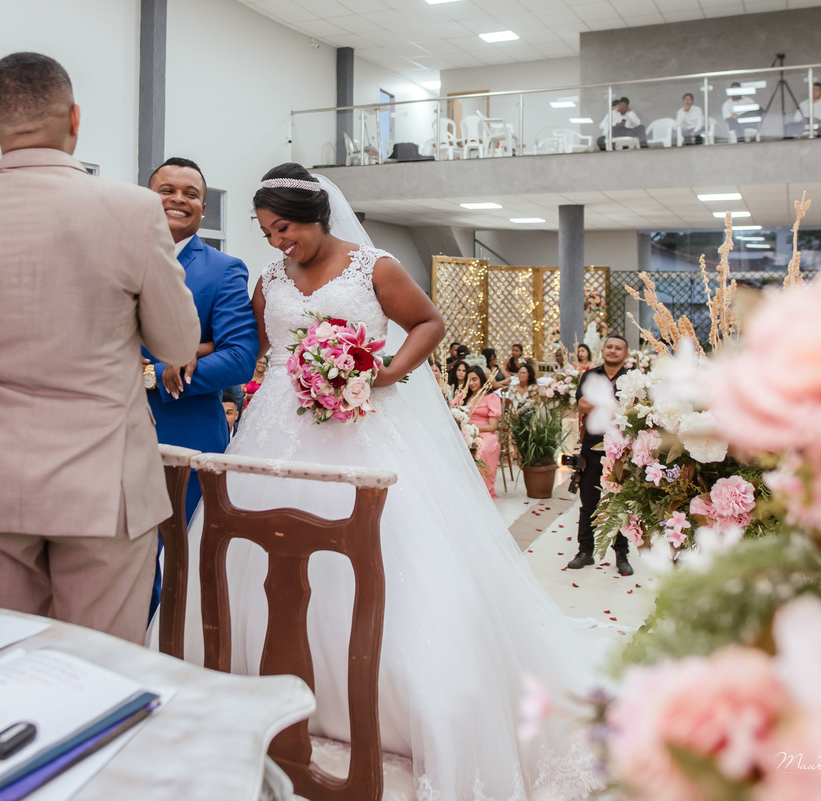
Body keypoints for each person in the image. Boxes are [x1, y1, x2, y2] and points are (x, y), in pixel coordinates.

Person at [162, 163, 601, 800]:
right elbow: (253, 348)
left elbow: (428, 323)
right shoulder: (270, 279)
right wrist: (197, 352)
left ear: (315, 217)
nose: (279, 242)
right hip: (276, 430)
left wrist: (385, 372)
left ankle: (391, 703)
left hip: (361, 425)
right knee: (260, 554)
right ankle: (268, 686)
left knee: (386, 556)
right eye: (267, 233)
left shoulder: (375, 266)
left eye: (285, 228)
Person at [0, 52, 200, 643]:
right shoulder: (131, 208)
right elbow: (176, 341)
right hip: (102, 474)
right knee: (98, 663)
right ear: (75, 117)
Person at [143, 156, 258, 618]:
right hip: (106, 436)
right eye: (166, 190)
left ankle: (166, 652)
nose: (178, 199)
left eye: (190, 194)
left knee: (180, 565)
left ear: (203, 209)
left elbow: (240, 357)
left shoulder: (223, 269)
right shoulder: (113, 256)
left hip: (184, 435)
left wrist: (151, 374)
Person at [568, 335, 633, 576]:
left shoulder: (632, 378)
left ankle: (621, 554)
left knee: (620, 503)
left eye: (618, 348)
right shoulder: (590, 376)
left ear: (625, 354)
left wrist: (601, 404)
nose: (613, 351)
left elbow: (634, 410)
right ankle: (585, 551)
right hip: (592, 446)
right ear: (603, 350)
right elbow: (582, 404)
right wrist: (614, 406)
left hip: (622, 449)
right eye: (609, 347)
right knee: (588, 501)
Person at [463, 365, 502, 498]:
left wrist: (473, 427)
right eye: (469, 380)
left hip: (486, 433)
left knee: (482, 449)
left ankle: (484, 489)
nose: (471, 383)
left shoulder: (491, 397)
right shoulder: (465, 397)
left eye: (475, 379)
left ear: (481, 379)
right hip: (466, 432)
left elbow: (492, 427)